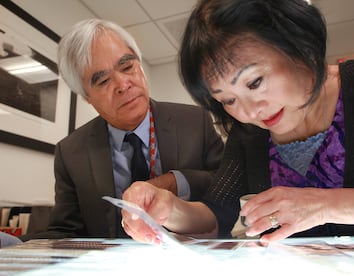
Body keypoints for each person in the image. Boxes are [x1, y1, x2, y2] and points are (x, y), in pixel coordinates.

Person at [121, 0, 354, 245]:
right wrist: (167, 208)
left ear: (297, 45)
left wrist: (328, 204)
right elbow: (215, 217)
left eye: (255, 82)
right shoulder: (248, 133)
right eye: (228, 100)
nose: (250, 113)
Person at [19, 18, 224, 241]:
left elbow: (228, 186)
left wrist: (172, 183)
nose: (123, 84)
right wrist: (15, 247)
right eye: (104, 80)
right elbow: (66, 232)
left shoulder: (194, 121)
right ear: (88, 97)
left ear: (141, 66)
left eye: (127, 67)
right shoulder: (70, 152)